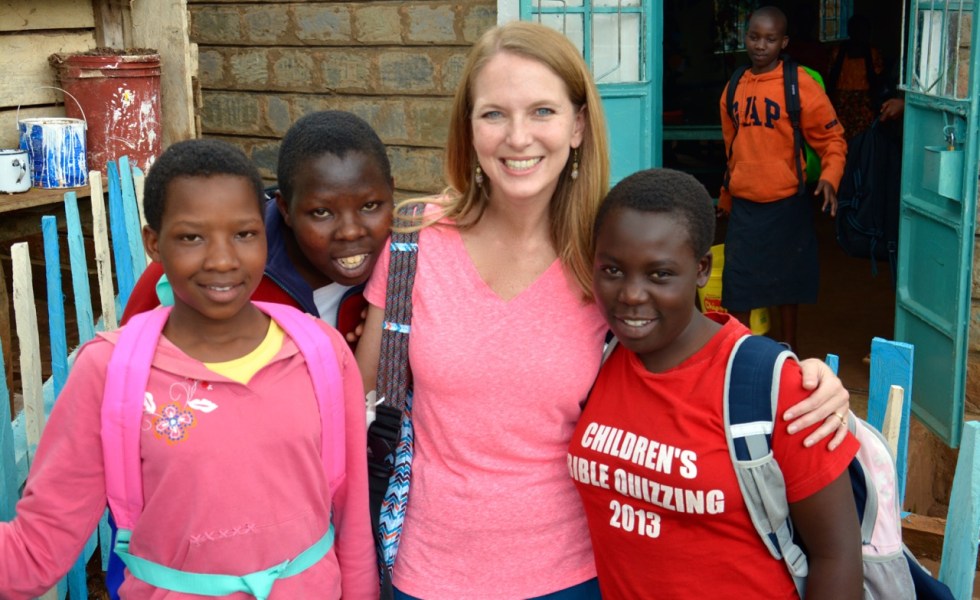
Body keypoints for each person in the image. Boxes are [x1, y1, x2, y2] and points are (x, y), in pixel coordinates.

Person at [356, 20, 853, 600]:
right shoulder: (416, 244)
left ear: (577, 126)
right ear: (468, 128)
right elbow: (355, 396)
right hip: (425, 572)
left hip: (576, 574)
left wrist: (796, 378)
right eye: (493, 114)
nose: (518, 136)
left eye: (542, 111)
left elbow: (698, 354)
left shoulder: (610, 259)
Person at [0, 139, 376, 599]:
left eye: (244, 234)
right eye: (192, 237)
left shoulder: (319, 353)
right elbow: (36, 552)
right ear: (153, 243)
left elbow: (353, 523)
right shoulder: (109, 371)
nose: (222, 260)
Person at [574, 167, 862, 598]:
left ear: (702, 269)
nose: (631, 294)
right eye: (612, 270)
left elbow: (837, 555)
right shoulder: (593, 361)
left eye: (659, 274)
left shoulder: (774, 388)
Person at [121, 110, 395, 347]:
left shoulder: (405, 266)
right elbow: (126, 358)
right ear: (285, 209)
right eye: (321, 212)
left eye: (370, 206)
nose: (350, 232)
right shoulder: (204, 265)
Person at [718, 6, 847, 351]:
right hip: (745, 207)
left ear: (783, 42)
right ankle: (740, 352)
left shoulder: (798, 83)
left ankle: (788, 350)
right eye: (754, 37)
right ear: (745, 37)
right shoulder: (734, 86)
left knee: (787, 286)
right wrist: (726, 194)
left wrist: (831, 177)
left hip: (787, 203)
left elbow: (833, 139)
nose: (760, 45)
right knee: (738, 286)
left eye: (770, 39)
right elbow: (732, 150)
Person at [827, 14, 885, 139]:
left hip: (865, 102)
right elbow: (831, 80)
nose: (859, 35)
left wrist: (867, 54)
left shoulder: (873, 53)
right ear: (850, 31)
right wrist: (842, 52)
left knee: (863, 139)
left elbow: (875, 83)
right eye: (856, 30)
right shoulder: (838, 51)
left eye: (863, 31)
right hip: (842, 101)